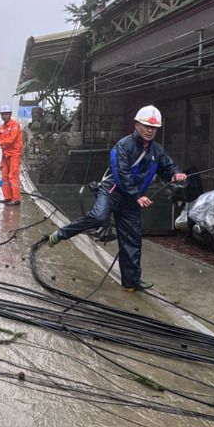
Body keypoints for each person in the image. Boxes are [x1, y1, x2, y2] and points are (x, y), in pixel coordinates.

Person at [46, 105, 187, 292]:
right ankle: (61, 233)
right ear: (136, 125)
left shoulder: (157, 151)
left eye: (153, 128)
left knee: (132, 241)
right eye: (146, 126)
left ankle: (131, 282)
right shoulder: (123, 146)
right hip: (113, 191)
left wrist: (176, 174)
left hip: (132, 200)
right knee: (98, 217)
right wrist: (137, 196)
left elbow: (168, 166)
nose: (149, 130)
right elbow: (122, 174)